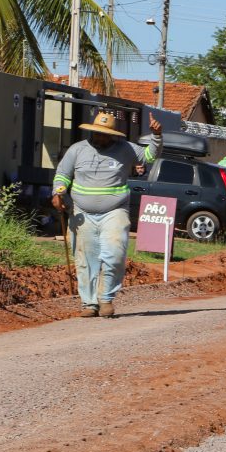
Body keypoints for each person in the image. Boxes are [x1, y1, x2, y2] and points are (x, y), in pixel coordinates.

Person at [52, 112, 163, 318]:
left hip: (115, 211)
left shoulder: (126, 148)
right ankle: (89, 303)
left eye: (105, 134)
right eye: (98, 133)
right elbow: (63, 174)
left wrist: (157, 136)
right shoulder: (77, 150)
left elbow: (149, 156)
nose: (101, 137)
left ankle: (106, 299)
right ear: (92, 131)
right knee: (86, 259)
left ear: (113, 135)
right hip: (82, 213)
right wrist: (58, 191)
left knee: (114, 253)